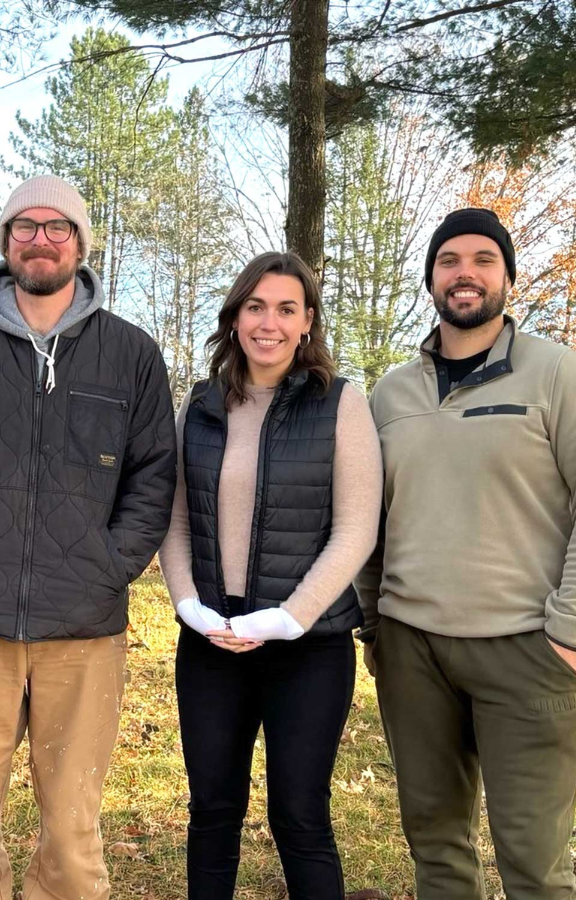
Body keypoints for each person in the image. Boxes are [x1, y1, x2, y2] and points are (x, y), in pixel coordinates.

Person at [0, 174, 177, 900]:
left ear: (81, 244)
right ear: (6, 242)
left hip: (85, 626)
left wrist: (109, 566)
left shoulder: (130, 353)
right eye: (25, 227)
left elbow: (153, 477)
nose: (41, 240)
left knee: (73, 831)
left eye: (59, 227)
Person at [356, 208, 576, 899]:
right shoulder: (391, 394)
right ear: (431, 279)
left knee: (534, 862)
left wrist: (569, 629)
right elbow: (368, 516)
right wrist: (373, 621)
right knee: (436, 845)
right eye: (449, 260)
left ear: (508, 277)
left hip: (526, 647)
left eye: (484, 260)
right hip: (412, 649)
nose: (466, 273)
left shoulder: (559, 376)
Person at [158, 251, 382, 899]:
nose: (269, 323)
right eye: (255, 307)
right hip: (213, 641)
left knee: (300, 816)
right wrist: (189, 604)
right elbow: (175, 519)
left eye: (286, 309)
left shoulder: (340, 405)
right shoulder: (200, 406)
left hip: (307, 647)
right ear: (235, 317)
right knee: (212, 812)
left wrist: (289, 617)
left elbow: (356, 529)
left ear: (308, 321)